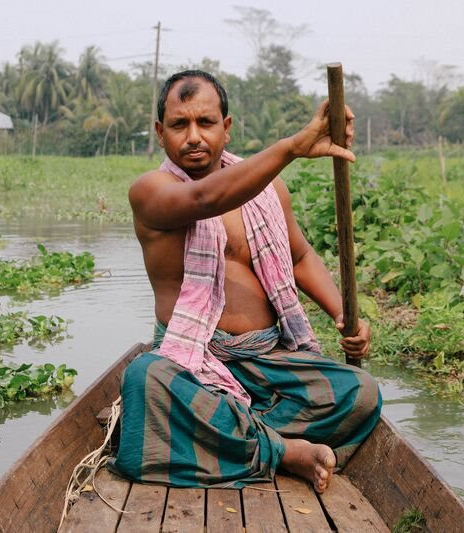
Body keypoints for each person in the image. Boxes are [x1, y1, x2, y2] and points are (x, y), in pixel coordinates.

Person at [109, 70, 381, 493]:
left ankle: (221, 433)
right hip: (194, 362)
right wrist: (292, 147)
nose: (194, 136)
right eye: (180, 125)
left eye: (206, 122)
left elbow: (300, 256)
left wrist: (343, 313)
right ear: (161, 133)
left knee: (359, 392)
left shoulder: (268, 190)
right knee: (147, 378)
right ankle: (284, 451)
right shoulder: (151, 191)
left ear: (227, 128)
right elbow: (204, 199)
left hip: (268, 359)